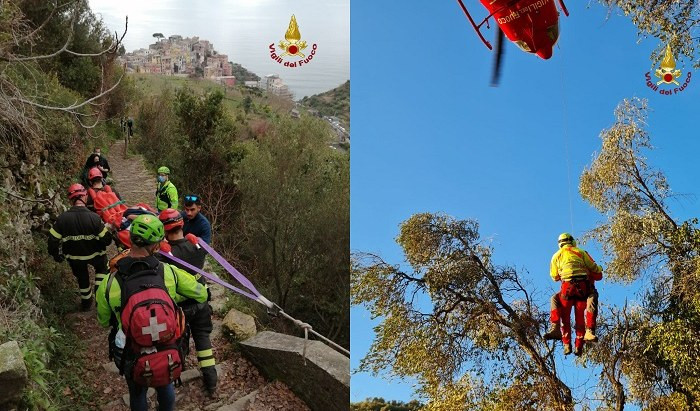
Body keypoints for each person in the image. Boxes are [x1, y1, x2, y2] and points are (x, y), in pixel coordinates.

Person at [96, 215, 207, 411]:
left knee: (137, 392)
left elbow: (104, 320)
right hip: (167, 345)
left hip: (131, 349)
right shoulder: (170, 273)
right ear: (156, 246)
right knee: (165, 384)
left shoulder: (110, 282)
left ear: (130, 239)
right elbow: (201, 293)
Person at [157, 209, 217, 395]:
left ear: (164, 230)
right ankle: (211, 382)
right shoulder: (197, 247)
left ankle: (177, 375)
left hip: (179, 308)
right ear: (182, 224)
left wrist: (161, 248)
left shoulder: (164, 256)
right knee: (202, 339)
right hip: (200, 302)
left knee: (176, 340)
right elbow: (200, 246)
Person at [48, 184, 112, 311]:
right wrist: (108, 229)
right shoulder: (94, 218)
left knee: (82, 278)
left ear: (70, 200)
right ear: (85, 196)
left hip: (75, 257)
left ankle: (86, 303)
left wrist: (57, 256)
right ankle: (100, 300)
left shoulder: (62, 219)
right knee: (102, 269)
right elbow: (106, 240)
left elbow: (52, 241)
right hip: (96, 255)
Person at [544, 233, 602, 356]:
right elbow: (596, 271)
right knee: (581, 317)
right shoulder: (581, 252)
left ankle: (562, 339)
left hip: (567, 290)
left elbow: (554, 277)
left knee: (562, 314)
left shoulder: (556, 256)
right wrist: (599, 268)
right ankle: (583, 341)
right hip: (583, 290)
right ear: (572, 241)